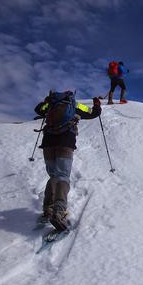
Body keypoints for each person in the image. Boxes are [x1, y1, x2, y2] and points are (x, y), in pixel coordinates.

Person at [34, 91, 102, 231]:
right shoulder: (75, 105)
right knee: (62, 176)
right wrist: (97, 104)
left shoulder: (51, 104)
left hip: (48, 143)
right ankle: (59, 211)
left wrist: (46, 102)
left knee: (53, 175)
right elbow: (93, 113)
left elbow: (38, 109)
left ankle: (48, 209)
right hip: (66, 142)